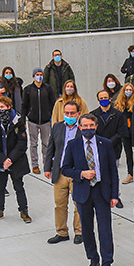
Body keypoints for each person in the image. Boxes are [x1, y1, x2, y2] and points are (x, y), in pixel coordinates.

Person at [62, 113, 120, 266]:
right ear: (80, 127)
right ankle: (93, 259)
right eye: (85, 126)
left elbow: (113, 171)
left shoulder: (106, 144)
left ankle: (107, 264)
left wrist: (114, 194)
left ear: (96, 126)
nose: (88, 129)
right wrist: (81, 173)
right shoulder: (73, 145)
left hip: (102, 191)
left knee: (105, 229)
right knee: (87, 228)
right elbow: (65, 168)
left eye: (91, 126)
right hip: (83, 192)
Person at [0, 95, 32, 223]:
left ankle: (24, 211)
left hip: (16, 161)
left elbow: (22, 143)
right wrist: (3, 160)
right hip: (1, 161)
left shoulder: (18, 121)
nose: (0, 110)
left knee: (19, 186)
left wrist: (10, 159)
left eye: (2, 107)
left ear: (9, 106)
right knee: (0, 187)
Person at [44, 101, 83, 245]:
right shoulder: (57, 127)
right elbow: (51, 149)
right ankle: (61, 232)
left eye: (72, 113)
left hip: (76, 172)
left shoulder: (83, 128)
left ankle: (79, 232)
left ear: (78, 114)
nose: (69, 116)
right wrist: (48, 168)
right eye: (67, 113)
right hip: (59, 172)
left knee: (79, 204)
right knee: (60, 204)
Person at [91, 89, 128, 208]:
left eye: (105, 98)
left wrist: (108, 142)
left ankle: (116, 195)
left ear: (110, 99)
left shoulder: (118, 115)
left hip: (114, 148)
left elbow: (122, 132)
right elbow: (91, 131)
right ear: (98, 100)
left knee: (113, 172)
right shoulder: (93, 115)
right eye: (101, 98)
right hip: (97, 148)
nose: (104, 100)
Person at [22, 68, 56, 175]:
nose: (39, 76)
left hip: (46, 121)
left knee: (46, 144)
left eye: (41, 74)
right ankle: (35, 165)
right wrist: (23, 120)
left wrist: (52, 117)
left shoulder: (48, 89)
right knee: (33, 144)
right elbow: (24, 106)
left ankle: (47, 164)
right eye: (37, 74)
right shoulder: (28, 89)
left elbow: (53, 104)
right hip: (33, 121)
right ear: (33, 76)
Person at [113, 83, 134, 184]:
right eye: (126, 89)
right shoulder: (119, 103)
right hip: (124, 132)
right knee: (128, 154)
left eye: (130, 89)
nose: (128, 91)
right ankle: (130, 174)